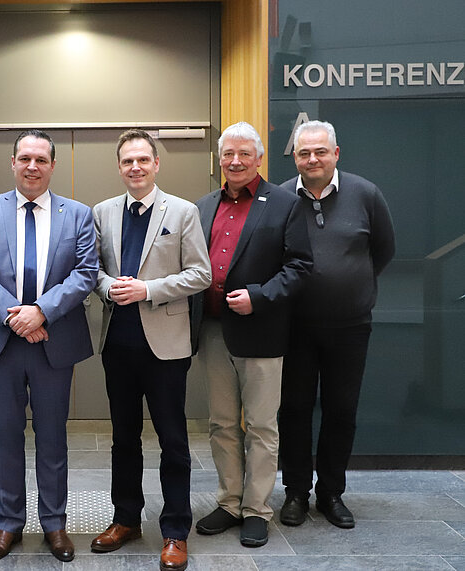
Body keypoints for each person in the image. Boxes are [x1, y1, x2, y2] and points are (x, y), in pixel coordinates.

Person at [0, 130, 98, 563]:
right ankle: (9, 523)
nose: (32, 166)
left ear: (53, 166)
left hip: (53, 341)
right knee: (4, 436)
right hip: (2, 342)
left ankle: (54, 524)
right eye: (25, 158)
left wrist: (40, 312)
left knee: (53, 436)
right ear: (13, 163)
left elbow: (85, 273)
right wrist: (15, 316)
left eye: (41, 159)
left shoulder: (77, 214)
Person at [90, 130, 211, 571]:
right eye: (127, 161)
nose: (135, 167)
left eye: (143, 159)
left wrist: (148, 289)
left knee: (173, 441)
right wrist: (109, 286)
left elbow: (201, 273)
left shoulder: (182, 211)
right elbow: (93, 270)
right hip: (117, 346)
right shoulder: (102, 212)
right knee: (124, 439)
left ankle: (176, 531)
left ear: (156, 164)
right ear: (119, 167)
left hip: (165, 348)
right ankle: (125, 520)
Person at [191, 122, 312, 547]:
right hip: (212, 330)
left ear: (259, 158)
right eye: (228, 154)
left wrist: (259, 296)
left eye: (244, 154)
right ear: (219, 159)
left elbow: (300, 266)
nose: (236, 162)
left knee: (261, 425)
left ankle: (257, 508)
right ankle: (229, 502)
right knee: (222, 423)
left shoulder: (283, 203)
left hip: (261, 331)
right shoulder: (203, 205)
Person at [277, 120, 395, 529]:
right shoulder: (279, 199)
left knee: (341, 410)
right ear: (294, 157)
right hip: (295, 328)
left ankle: (330, 493)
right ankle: (295, 492)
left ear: (336, 153)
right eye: (304, 153)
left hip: (349, 327)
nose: (313, 159)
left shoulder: (366, 194)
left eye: (320, 152)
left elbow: (382, 250)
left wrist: (350, 286)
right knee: (293, 409)